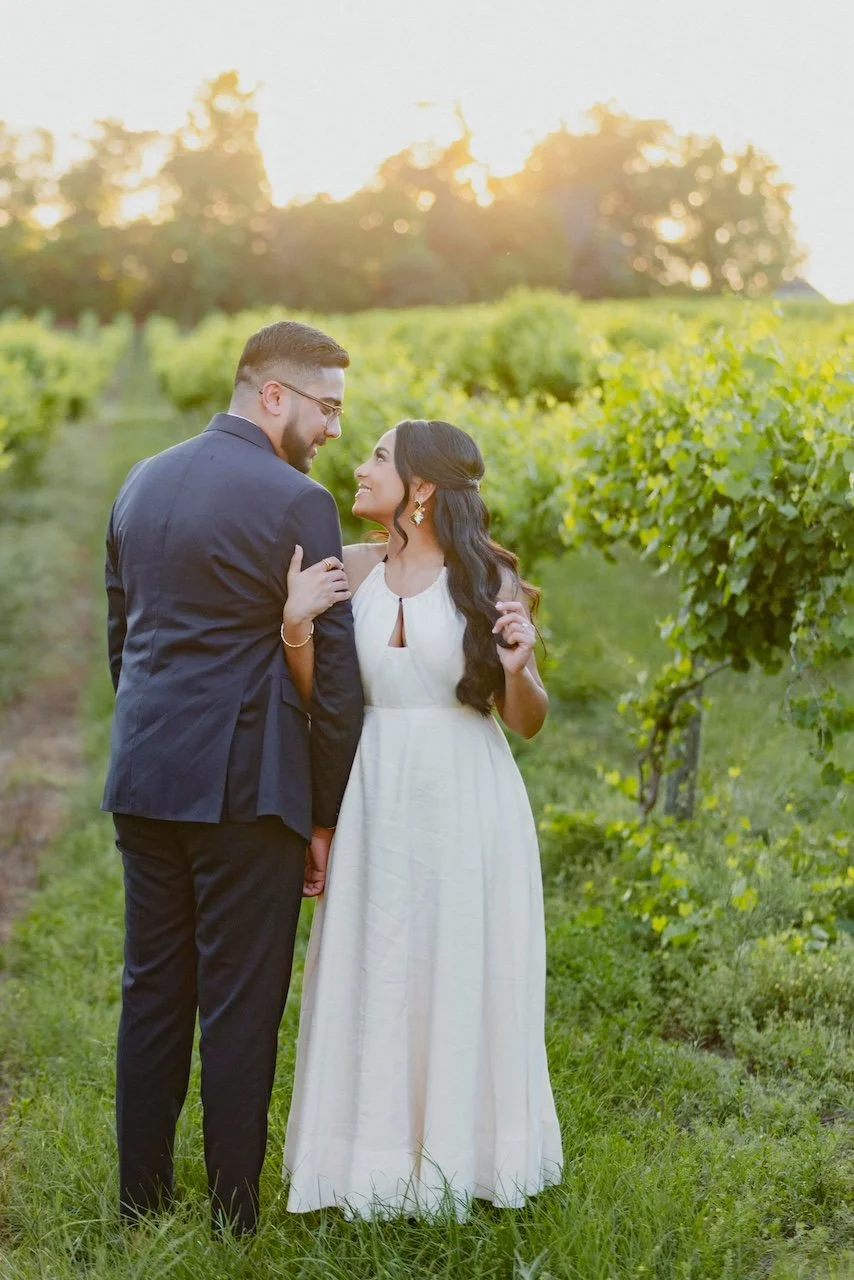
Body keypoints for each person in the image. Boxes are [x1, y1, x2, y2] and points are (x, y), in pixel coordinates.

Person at [102, 320, 363, 1234]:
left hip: (144, 773)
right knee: (241, 1004)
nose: (334, 428)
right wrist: (324, 814)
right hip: (248, 789)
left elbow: (122, 639)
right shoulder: (300, 501)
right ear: (273, 394)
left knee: (152, 989)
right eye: (327, 407)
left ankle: (139, 1203)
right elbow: (335, 679)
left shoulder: (140, 480)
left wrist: (152, 736)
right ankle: (232, 1217)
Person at [281, 418, 563, 1218]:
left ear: (423, 486)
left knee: (459, 965)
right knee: (374, 963)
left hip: (466, 796)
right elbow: (327, 695)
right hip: (373, 789)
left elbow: (526, 720)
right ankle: (368, 1159)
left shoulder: (488, 576)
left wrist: (520, 670)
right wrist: (295, 625)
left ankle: (461, 1156)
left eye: (379, 456)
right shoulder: (352, 568)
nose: (361, 467)